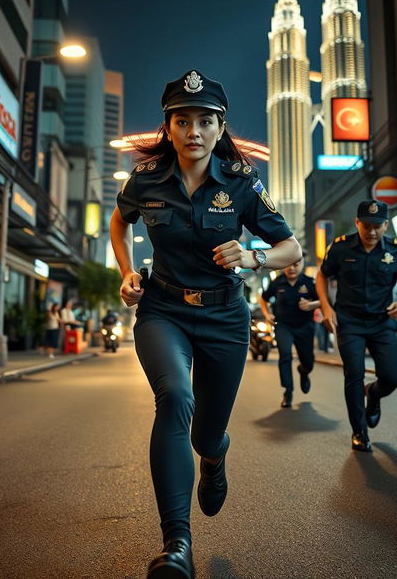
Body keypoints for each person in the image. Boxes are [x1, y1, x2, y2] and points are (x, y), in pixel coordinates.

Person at [110, 69, 301, 578]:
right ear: (168, 127)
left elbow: (292, 248)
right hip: (163, 311)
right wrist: (128, 271)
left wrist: (254, 256)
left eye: (204, 121)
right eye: (182, 120)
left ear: (220, 127)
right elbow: (119, 220)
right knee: (174, 396)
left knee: (205, 435)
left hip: (224, 316)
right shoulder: (146, 180)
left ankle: (214, 458)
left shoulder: (240, 184)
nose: (193, 131)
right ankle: (177, 545)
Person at [316, 200, 397, 453]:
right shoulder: (341, 247)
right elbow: (322, 275)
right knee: (354, 374)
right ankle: (359, 432)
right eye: (366, 225)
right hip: (349, 322)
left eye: (377, 226)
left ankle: (373, 395)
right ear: (357, 223)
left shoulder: (396, 251)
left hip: (382, 322)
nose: (371, 232)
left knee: (391, 377)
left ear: (386, 225)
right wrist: (326, 306)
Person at [259, 258, 320, 408]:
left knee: (308, 361)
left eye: (296, 264)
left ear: (302, 264)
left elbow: (324, 300)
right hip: (283, 325)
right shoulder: (278, 282)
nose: (292, 268)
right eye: (288, 264)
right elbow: (263, 299)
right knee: (285, 354)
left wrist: (311, 304)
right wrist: (267, 315)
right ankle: (288, 391)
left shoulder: (309, 282)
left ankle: (304, 371)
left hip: (305, 326)